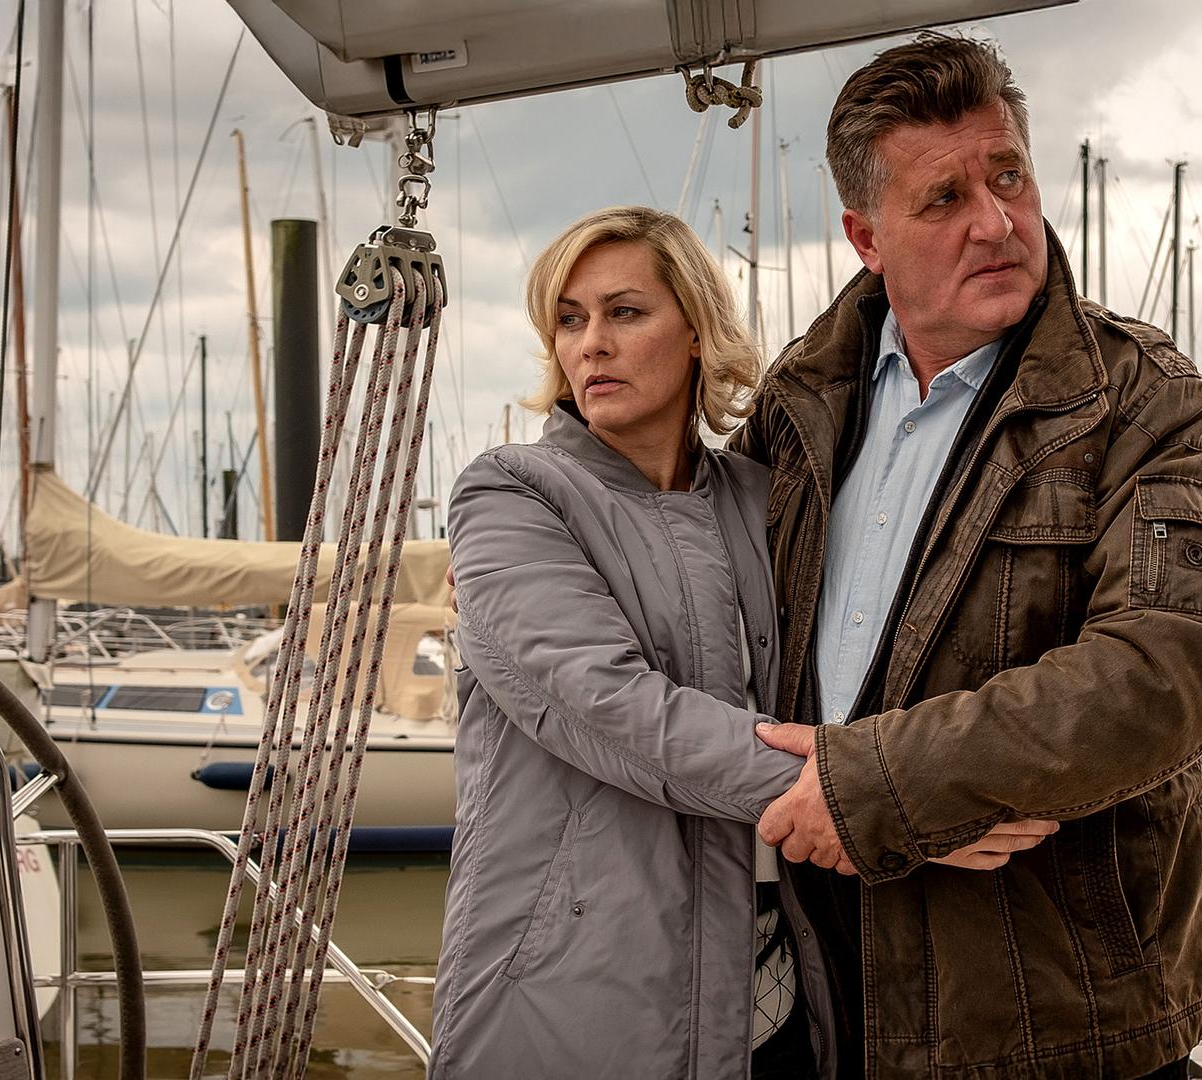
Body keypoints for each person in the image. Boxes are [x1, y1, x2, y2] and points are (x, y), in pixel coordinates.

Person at [735, 33, 1202, 1079]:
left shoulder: (1145, 397)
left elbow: (1166, 671)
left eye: (1008, 173)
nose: (999, 221)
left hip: (1057, 1022)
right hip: (827, 1004)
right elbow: (708, 630)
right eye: (944, 199)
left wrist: (898, 786)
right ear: (865, 237)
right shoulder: (796, 406)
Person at [431, 206, 1049, 1078]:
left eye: (625, 312)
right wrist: (886, 800)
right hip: (578, 980)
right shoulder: (509, 494)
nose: (591, 345)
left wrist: (955, 768)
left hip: (776, 978)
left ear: (695, 332)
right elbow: (611, 707)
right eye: (569, 320)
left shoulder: (766, 500)